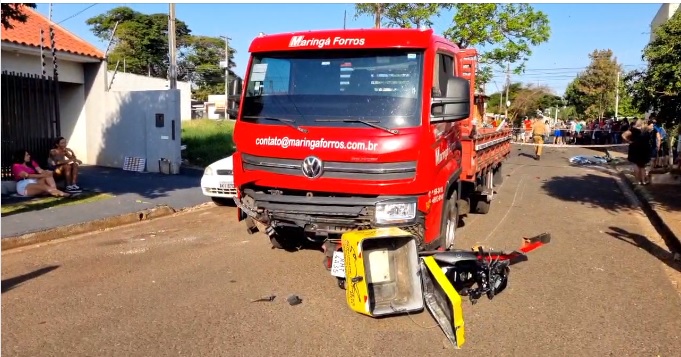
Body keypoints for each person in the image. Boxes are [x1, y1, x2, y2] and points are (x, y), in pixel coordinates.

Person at [622, 120, 652, 185]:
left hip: (635, 147)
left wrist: (628, 141)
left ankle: (637, 181)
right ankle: (643, 181)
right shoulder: (647, 131)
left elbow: (623, 135)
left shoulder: (633, 130)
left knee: (636, 164)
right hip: (645, 148)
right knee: (642, 166)